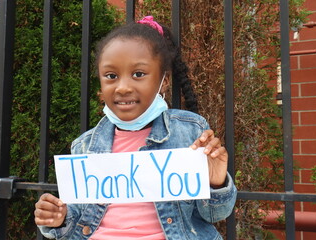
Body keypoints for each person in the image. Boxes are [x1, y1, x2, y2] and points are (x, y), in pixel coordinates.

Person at [34, 16, 237, 240]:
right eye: (111, 76)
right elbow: (80, 215)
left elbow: (215, 215)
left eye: (138, 74)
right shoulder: (84, 145)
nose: (122, 87)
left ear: (164, 81)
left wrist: (216, 182)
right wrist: (59, 217)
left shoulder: (190, 133)